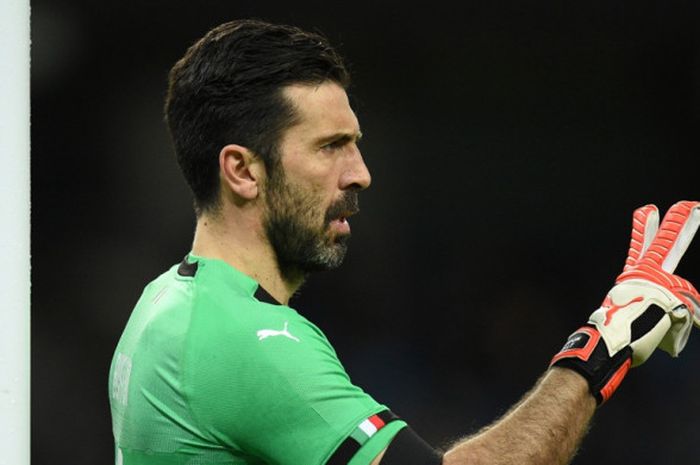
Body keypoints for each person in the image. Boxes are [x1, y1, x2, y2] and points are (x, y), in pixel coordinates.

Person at [108, 19, 700, 465]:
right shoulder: (248, 342)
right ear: (242, 171)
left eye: (355, 143)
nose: (360, 172)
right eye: (328, 146)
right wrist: (602, 344)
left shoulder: (165, 304)